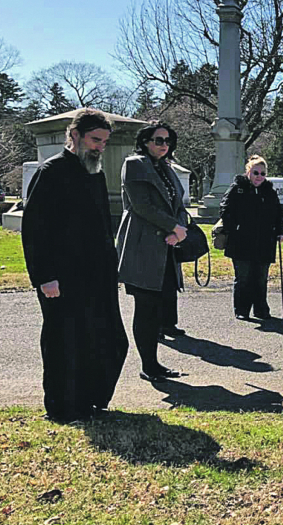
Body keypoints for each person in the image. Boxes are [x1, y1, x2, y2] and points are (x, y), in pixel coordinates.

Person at [22, 108, 128, 422]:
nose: (100, 147)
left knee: (104, 339)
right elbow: (35, 230)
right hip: (61, 278)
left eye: (105, 142)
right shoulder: (51, 171)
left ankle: (90, 401)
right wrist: (45, 277)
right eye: (95, 140)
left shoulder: (95, 171)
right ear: (75, 135)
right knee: (64, 343)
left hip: (97, 276)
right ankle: (62, 408)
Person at [116, 121, 188, 383]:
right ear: (145, 141)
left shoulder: (166, 168)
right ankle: (149, 365)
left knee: (159, 307)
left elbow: (178, 203)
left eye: (168, 141)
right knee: (146, 308)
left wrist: (179, 228)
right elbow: (141, 205)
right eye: (158, 140)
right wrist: (173, 226)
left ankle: (155, 364)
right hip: (143, 245)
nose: (164, 145)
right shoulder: (135, 164)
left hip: (167, 246)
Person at [220, 155, 283, 320]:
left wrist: (281, 231)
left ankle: (261, 310)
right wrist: (234, 228)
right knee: (243, 277)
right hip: (241, 241)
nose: (259, 177)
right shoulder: (237, 188)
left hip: (265, 241)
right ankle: (242, 310)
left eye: (263, 174)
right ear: (248, 171)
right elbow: (225, 209)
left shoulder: (269, 191)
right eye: (256, 172)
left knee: (260, 278)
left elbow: (279, 213)